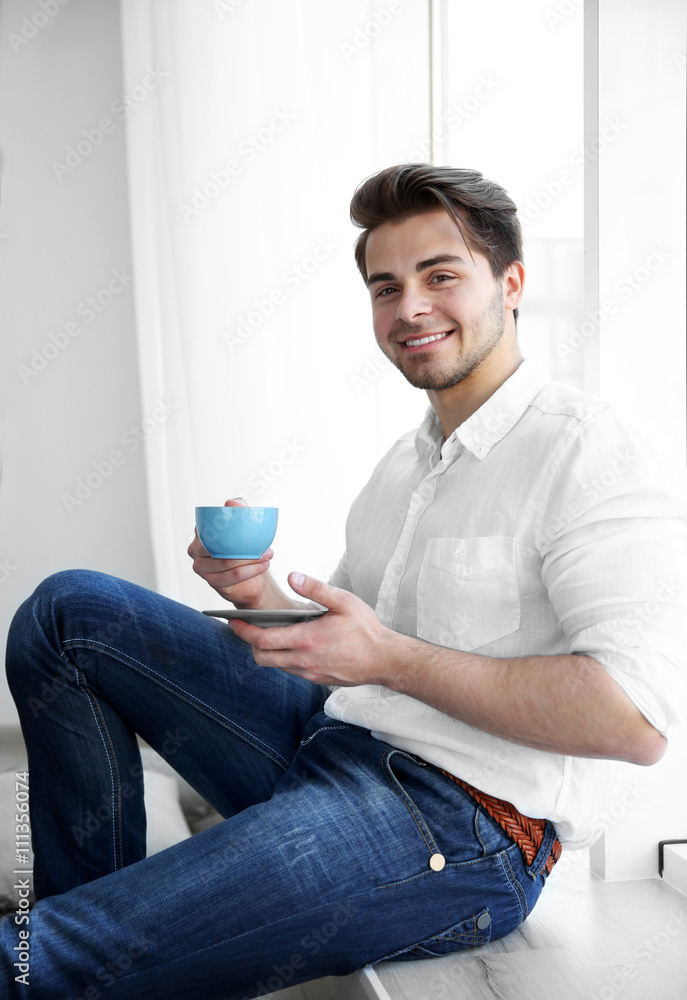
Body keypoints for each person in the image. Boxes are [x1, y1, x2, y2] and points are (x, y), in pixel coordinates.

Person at [2, 164, 685, 999]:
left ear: (510, 283)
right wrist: (255, 594)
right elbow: (340, 650)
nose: (409, 309)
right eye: (385, 287)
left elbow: (634, 720)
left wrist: (390, 659)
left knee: (37, 954)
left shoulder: (588, 451)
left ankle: (52, 961)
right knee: (67, 613)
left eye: (441, 277)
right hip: (330, 741)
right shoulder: (404, 464)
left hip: (459, 826)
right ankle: (81, 948)